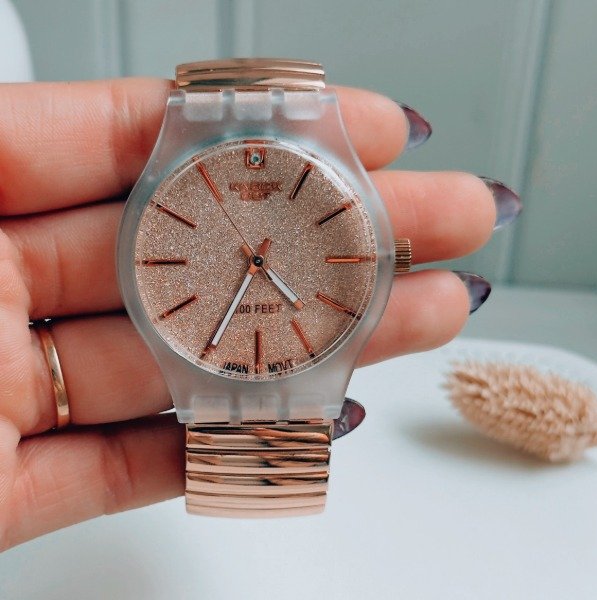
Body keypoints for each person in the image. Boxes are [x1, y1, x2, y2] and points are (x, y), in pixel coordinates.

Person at [0, 77, 519, 551]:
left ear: (389, 258)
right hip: (206, 367)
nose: (257, 264)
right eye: (256, 262)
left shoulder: (351, 222)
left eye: (257, 262)